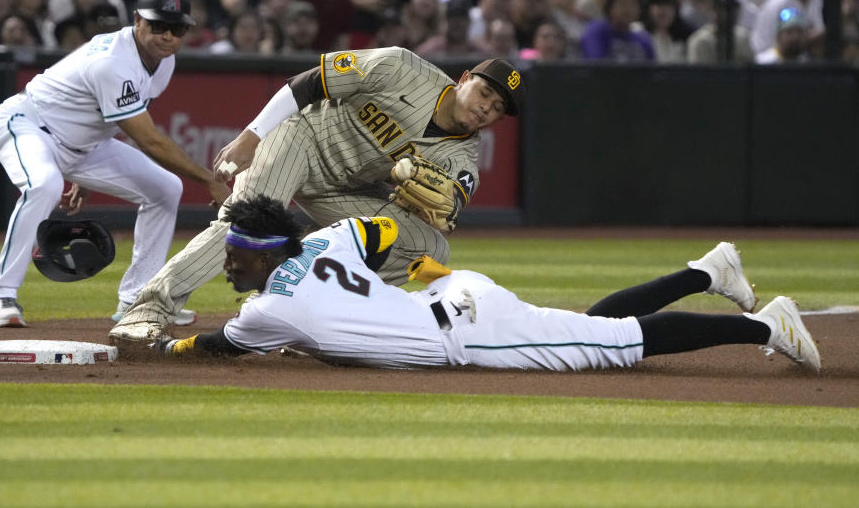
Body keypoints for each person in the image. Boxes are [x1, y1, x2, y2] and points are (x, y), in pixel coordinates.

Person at [109, 49, 524, 344]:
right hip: (303, 140)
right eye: (486, 93)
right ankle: (148, 310)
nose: (488, 107)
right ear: (465, 79)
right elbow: (308, 83)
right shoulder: (401, 67)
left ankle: (311, 316)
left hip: (347, 189)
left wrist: (436, 204)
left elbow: (450, 206)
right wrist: (250, 137)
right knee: (247, 224)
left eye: (499, 107)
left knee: (426, 246)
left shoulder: (462, 154)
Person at [150, 195, 820, 375]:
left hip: (466, 335)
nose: (227, 264)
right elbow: (387, 236)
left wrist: (159, 349)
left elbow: (215, 347)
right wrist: (428, 270)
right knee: (593, 326)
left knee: (616, 343)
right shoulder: (328, 237)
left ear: (263, 254)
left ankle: (767, 325)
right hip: (458, 295)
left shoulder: (268, 309)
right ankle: (709, 272)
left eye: (233, 253)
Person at [0, 0, 230, 329]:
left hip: (83, 145)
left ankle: (137, 299)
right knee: (45, 185)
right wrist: (208, 180)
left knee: (165, 189)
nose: (167, 36)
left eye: (177, 29)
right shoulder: (112, 62)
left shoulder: (164, 62)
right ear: (137, 21)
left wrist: (85, 177)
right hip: (29, 124)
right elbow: (149, 141)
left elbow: (119, 117)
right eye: (158, 25)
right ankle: (1, 296)